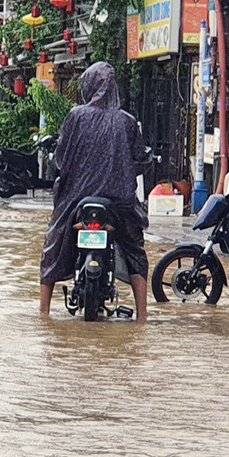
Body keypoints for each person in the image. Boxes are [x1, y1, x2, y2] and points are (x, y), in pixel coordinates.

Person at [38, 62, 150, 322]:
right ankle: (143, 316)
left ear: (88, 87)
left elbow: (61, 159)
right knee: (135, 250)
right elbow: (142, 160)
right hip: (119, 204)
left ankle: (43, 312)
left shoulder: (76, 116)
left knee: (52, 245)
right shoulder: (128, 121)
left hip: (77, 202)